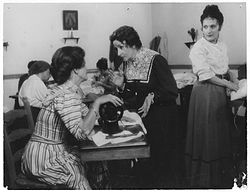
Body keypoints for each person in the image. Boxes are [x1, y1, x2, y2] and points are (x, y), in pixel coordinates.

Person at [21, 46, 123, 189]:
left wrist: (99, 111)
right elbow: (81, 132)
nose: (87, 67)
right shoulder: (66, 95)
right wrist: (98, 102)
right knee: (80, 175)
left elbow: (85, 115)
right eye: (84, 64)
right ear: (76, 70)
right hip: (43, 159)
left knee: (96, 163)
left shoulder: (66, 90)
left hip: (48, 151)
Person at [110, 25, 179, 186]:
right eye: (116, 48)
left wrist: (153, 96)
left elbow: (171, 91)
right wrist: (121, 86)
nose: (118, 53)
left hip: (162, 121)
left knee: (161, 166)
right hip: (142, 120)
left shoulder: (156, 59)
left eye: (121, 47)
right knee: (145, 167)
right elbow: (132, 96)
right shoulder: (126, 63)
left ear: (133, 44)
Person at [185, 5, 239, 188]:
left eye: (213, 26)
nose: (208, 30)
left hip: (219, 92)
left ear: (219, 27)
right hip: (205, 93)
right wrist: (229, 85)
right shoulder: (198, 48)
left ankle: (220, 179)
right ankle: (204, 181)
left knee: (219, 134)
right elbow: (206, 75)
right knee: (207, 136)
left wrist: (232, 76)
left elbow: (223, 66)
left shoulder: (222, 45)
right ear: (201, 28)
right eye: (205, 26)